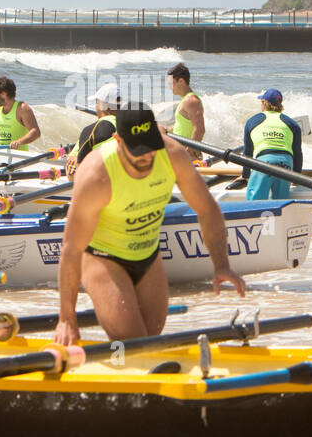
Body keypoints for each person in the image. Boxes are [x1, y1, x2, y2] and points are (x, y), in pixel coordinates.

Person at [53, 104, 245, 346]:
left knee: (152, 342)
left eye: (150, 148)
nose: (146, 157)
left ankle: (127, 372)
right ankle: (118, 371)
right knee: (133, 344)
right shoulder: (96, 175)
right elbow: (71, 248)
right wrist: (66, 319)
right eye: (138, 151)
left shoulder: (172, 154)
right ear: (118, 140)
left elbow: (207, 209)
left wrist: (222, 266)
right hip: (104, 259)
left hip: (148, 256)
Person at [242, 89, 304, 200]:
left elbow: (247, 152)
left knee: (255, 204)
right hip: (286, 164)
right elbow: (297, 153)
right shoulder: (292, 123)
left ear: (263, 103)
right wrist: (296, 177)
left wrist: (245, 175)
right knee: (280, 204)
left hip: (263, 163)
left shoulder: (252, 121)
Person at [66, 83, 121, 176]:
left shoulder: (91, 130)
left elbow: (74, 174)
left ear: (101, 104)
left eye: (96, 102)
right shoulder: (131, 124)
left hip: (101, 183)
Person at [0, 77, 41, 149]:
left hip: (18, 154)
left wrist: (19, 142)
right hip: (1, 152)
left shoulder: (22, 108)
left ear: (3, 94)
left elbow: (36, 132)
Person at [166, 63, 205, 142]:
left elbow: (200, 129)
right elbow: (181, 126)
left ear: (181, 81)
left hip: (186, 152)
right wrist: (164, 130)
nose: (169, 87)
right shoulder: (185, 100)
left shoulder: (191, 100)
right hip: (180, 150)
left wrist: (189, 151)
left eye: (171, 83)